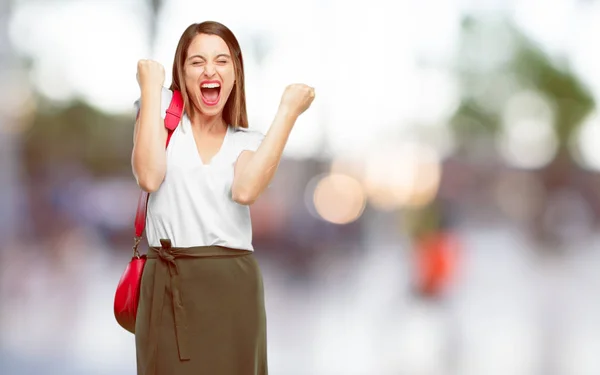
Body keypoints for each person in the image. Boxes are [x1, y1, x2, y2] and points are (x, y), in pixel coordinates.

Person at [132, 20, 315, 375]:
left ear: (235, 74)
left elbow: (245, 191)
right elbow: (150, 176)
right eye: (196, 62)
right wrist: (151, 87)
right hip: (168, 284)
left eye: (221, 61)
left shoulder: (248, 141)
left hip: (233, 287)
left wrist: (288, 113)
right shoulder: (159, 119)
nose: (209, 70)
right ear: (181, 74)